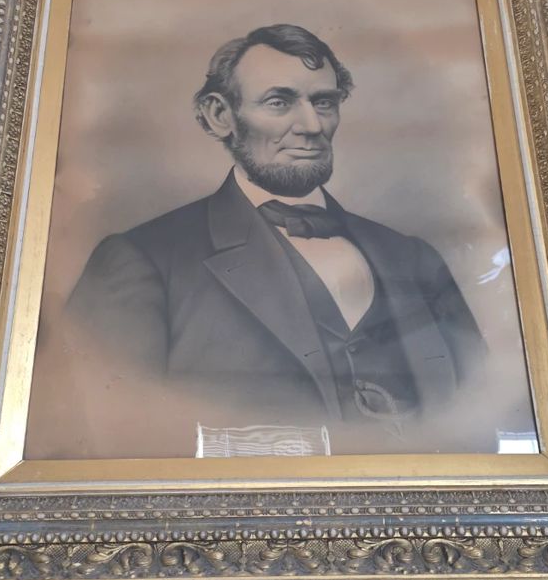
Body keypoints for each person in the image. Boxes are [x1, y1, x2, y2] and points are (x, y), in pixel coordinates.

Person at [66, 24, 485, 451]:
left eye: (324, 102)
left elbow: (482, 415)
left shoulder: (414, 259)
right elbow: (105, 441)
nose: (311, 125)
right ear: (220, 115)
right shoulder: (144, 262)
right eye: (279, 102)